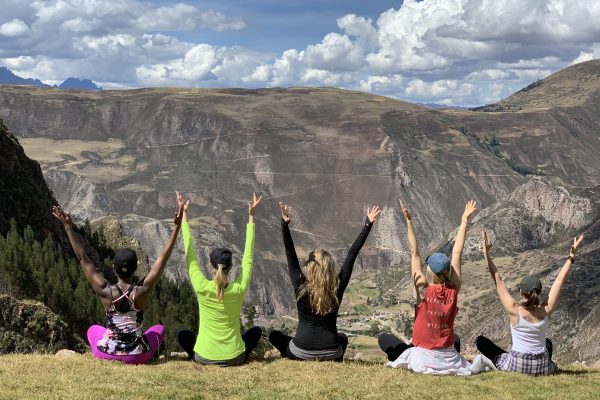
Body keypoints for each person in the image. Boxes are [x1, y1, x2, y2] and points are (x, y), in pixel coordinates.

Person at [52, 193, 184, 364]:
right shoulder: (141, 291)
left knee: (93, 329)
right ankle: (153, 352)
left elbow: (83, 258)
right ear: (136, 268)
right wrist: (177, 227)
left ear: (113, 268)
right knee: (159, 329)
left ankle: (109, 347)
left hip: (108, 353)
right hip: (138, 354)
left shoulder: (105, 290)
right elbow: (163, 258)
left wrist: (68, 227)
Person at [268, 202, 381, 361]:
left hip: (300, 352)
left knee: (274, 335)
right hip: (332, 352)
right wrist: (367, 225)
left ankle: (288, 353)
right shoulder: (337, 286)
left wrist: (284, 224)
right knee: (342, 337)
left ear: (309, 268)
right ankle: (331, 357)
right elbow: (352, 254)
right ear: (330, 268)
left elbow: (290, 253)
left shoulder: (300, 285)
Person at [379, 199, 479, 375]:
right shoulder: (454, 289)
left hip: (424, 355)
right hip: (448, 355)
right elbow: (457, 252)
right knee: (454, 339)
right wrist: (464, 221)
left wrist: (409, 222)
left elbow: (414, 253)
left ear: (430, 271)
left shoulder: (423, 290)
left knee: (384, 339)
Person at [475, 230, 584, 375]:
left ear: (521, 291)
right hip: (542, 367)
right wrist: (571, 256)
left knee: (481, 342)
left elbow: (497, 279)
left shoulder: (514, 310)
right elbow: (559, 280)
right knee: (548, 343)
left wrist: (486, 254)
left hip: (517, 366)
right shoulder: (547, 309)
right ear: (538, 292)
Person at [175, 192, 263, 366]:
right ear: (231, 267)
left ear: (210, 267)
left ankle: (203, 353)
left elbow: (190, 255)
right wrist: (251, 217)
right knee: (256, 332)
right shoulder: (238, 289)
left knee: (181, 334)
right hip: (234, 357)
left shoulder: (202, 287)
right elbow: (248, 257)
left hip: (204, 357)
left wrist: (184, 216)